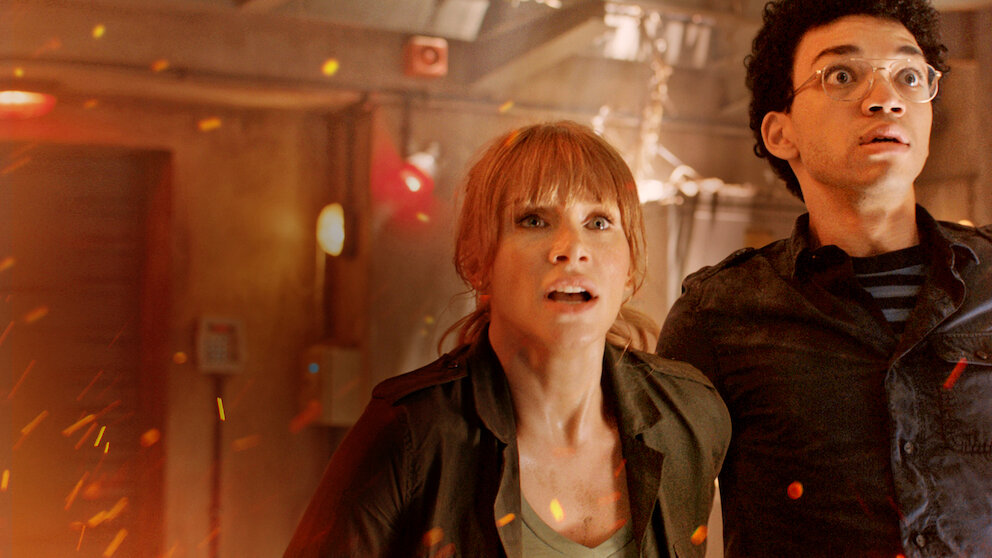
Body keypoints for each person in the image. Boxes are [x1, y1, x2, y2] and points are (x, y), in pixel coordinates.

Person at [284, 121, 730, 558]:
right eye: (534, 220)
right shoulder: (410, 433)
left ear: (630, 268)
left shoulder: (690, 417)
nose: (572, 248)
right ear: (477, 262)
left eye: (598, 222)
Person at [657, 0, 992, 556]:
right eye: (841, 75)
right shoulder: (717, 317)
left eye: (909, 77)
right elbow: (661, 529)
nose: (885, 99)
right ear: (780, 133)